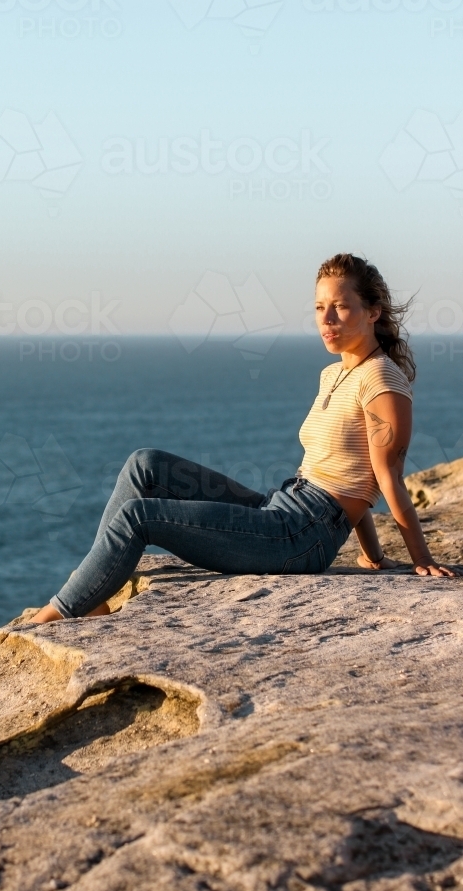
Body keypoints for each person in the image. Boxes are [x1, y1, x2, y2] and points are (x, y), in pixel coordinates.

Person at [32, 253, 459, 624]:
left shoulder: (383, 381)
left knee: (138, 517)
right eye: (319, 307)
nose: (326, 320)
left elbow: (386, 477)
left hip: (301, 536)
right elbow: (351, 470)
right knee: (144, 464)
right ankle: (92, 593)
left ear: (373, 312)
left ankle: (60, 611)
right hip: (286, 506)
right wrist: (373, 555)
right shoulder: (335, 373)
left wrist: (420, 560)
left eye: (341, 308)